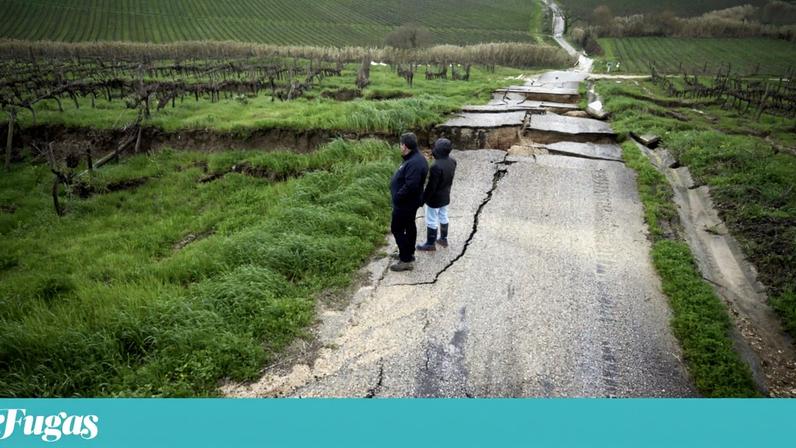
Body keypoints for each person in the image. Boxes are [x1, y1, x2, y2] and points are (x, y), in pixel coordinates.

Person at [389, 133, 429, 272]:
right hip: (409, 202)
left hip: (405, 203)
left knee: (397, 228)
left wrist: (397, 197)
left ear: (405, 146)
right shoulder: (413, 158)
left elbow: (411, 185)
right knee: (409, 225)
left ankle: (405, 260)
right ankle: (408, 252)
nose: (400, 147)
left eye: (401, 144)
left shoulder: (414, 163)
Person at [417, 138, 457, 251]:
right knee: (443, 216)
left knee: (431, 220)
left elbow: (431, 187)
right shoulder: (453, 161)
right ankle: (443, 239)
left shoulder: (436, 166)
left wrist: (422, 199)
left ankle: (430, 244)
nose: (433, 149)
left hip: (434, 200)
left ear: (438, 150)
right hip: (445, 195)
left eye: (435, 147)